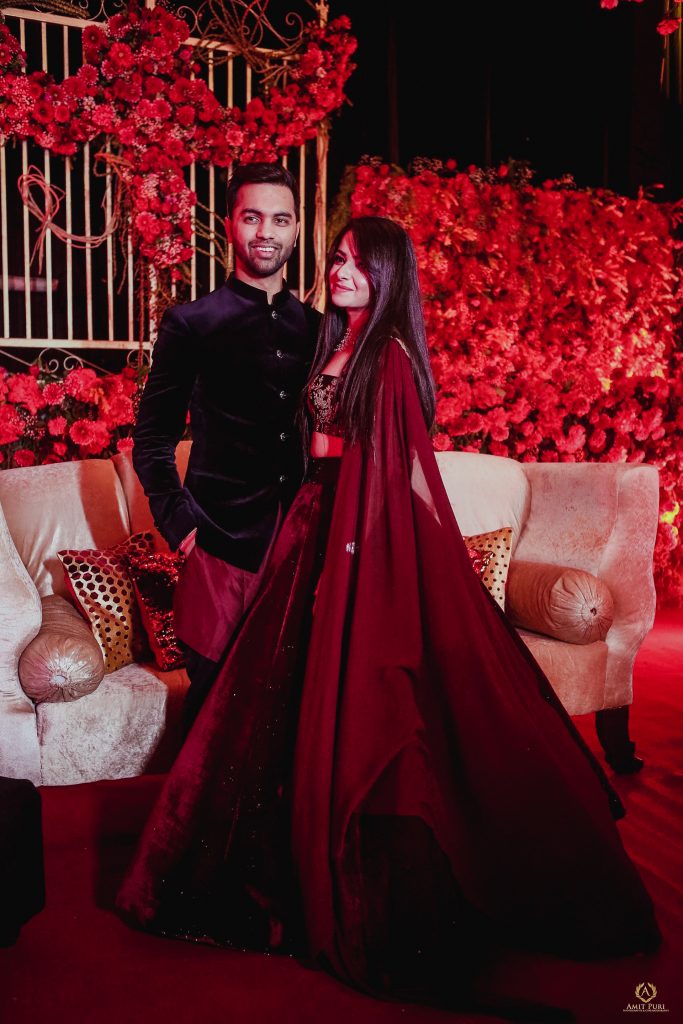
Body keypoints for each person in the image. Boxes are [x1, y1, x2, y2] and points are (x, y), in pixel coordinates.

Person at [118, 217, 659, 1019]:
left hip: (346, 536)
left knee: (357, 703)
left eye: (355, 264)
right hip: (309, 527)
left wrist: (381, 561)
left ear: (387, 274)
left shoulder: (390, 358)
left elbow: (399, 471)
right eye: (335, 260)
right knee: (276, 708)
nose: (338, 272)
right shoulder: (338, 341)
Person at [132, 162, 320, 729]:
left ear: (295, 229)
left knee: (294, 711)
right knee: (216, 715)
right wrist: (185, 530)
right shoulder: (192, 324)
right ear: (231, 223)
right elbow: (153, 439)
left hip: (302, 545)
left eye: (280, 219)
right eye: (253, 216)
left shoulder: (318, 329)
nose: (266, 231)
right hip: (220, 546)